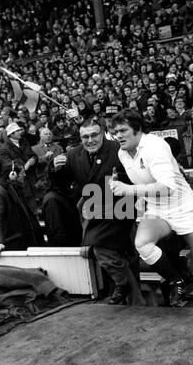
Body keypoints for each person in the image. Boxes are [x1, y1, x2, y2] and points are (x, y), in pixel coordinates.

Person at [109, 109, 193, 308]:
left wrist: (130, 190)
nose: (118, 136)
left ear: (138, 129)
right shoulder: (122, 153)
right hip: (158, 209)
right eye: (115, 132)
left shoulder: (155, 147)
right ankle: (177, 281)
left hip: (182, 207)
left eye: (123, 130)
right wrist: (141, 197)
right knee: (142, 243)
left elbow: (167, 188)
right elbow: (145, 178)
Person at [52, 114, 145, 306]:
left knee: (120, 254)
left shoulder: (118, 150)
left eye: (94, 135)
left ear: (103, 133)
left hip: (121, 209)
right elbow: (62, 183)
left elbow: (137, 175)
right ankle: (126, 291)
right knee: (103, 250)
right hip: (94, 211)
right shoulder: (73, 154)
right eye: (85, 137)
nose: (90, 140)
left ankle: (133, 299)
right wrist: (55, 169)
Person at [0, 165, 45, 258]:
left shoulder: (15, 189)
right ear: (13, 175)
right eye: (22, 173)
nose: (24, 175)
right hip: (15, 243)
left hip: (24, 241)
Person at [0, 122, 39, 215]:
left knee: (34, 209)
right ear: (11, 134)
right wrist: (25, 166)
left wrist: (33, 159)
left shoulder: (24, 142)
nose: (20, 132)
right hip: (18, 185)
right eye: (17, 131)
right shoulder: (4, 149)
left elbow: (33, 155)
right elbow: (8, 166)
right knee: (23, 212)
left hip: (31, 181)